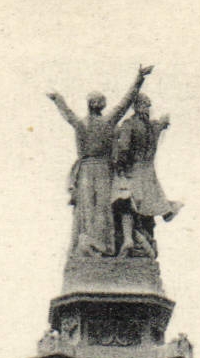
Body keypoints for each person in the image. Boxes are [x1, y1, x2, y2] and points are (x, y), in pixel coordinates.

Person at [47, 65, 152, 256]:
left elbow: (67, 113)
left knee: (88, 209)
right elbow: (125, 102)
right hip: (102, 170)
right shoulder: (108, 121)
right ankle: (102, 246)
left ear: (90, 105)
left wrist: (57, 99)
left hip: (87, 170)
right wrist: (139, 78)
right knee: (101, 208)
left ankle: (91, 245)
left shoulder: (81, 124)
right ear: (101, 105)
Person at [112, 94, 182, 257]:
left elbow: (123, 149)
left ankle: (131, 240)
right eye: (147, 106)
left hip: (134, 171)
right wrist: (164, 122)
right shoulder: (152, 126)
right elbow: (161, 125)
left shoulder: (129, 125)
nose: (147, 109)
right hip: (149, 173)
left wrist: (119, 166)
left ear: (135, 107)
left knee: (127, 204)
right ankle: (148, 236)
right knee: (146, 209)